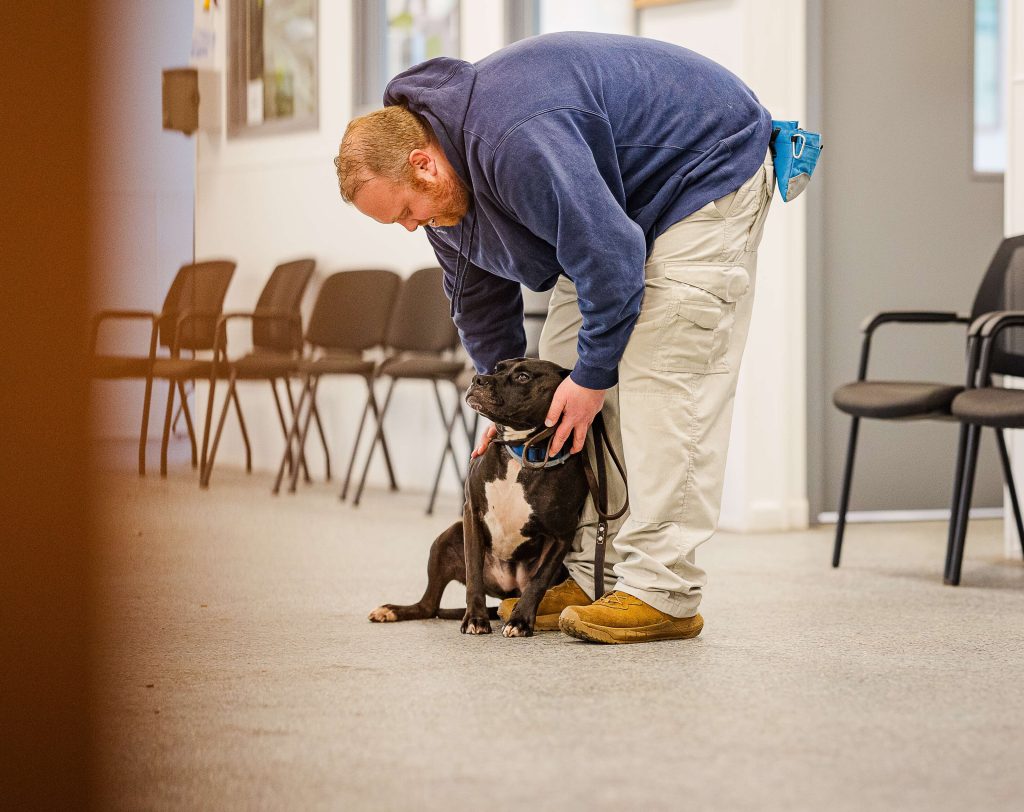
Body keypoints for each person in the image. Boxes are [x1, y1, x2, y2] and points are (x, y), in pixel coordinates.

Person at [335, 32, 774, 644]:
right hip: (615, 208)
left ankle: (663, 592)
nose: (412, 227)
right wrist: (504, 405)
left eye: (407, 211)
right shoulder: (443, 195)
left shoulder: (512, 139)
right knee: (556, 388)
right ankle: (590, 576)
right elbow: (479, 302)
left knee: (660, 380)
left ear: (423, 164)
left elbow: (609, 253)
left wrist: (594, 377)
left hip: (702, 169)